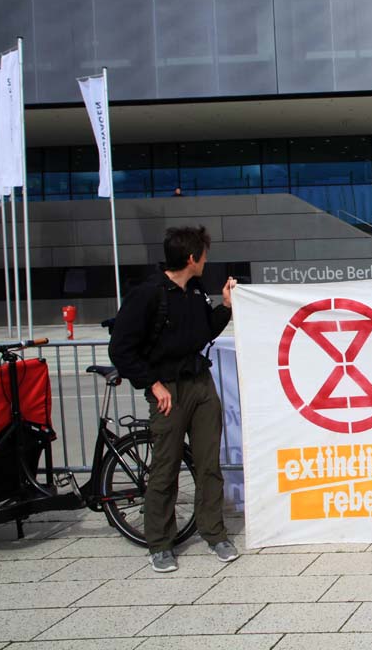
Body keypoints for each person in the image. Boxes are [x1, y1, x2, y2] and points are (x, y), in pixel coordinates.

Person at [108, 226, 238, 573]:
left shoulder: (193, 290)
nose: (207, 261)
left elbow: (203, 332)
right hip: (167, 389)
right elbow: (121, 348)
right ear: (192, 258)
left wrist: (225, 307)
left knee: (209, 463)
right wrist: (152, 384)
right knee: (165, 466)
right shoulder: (148, 294)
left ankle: (215, 533)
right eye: (204, 255)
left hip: (200, 384)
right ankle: (160, 543)